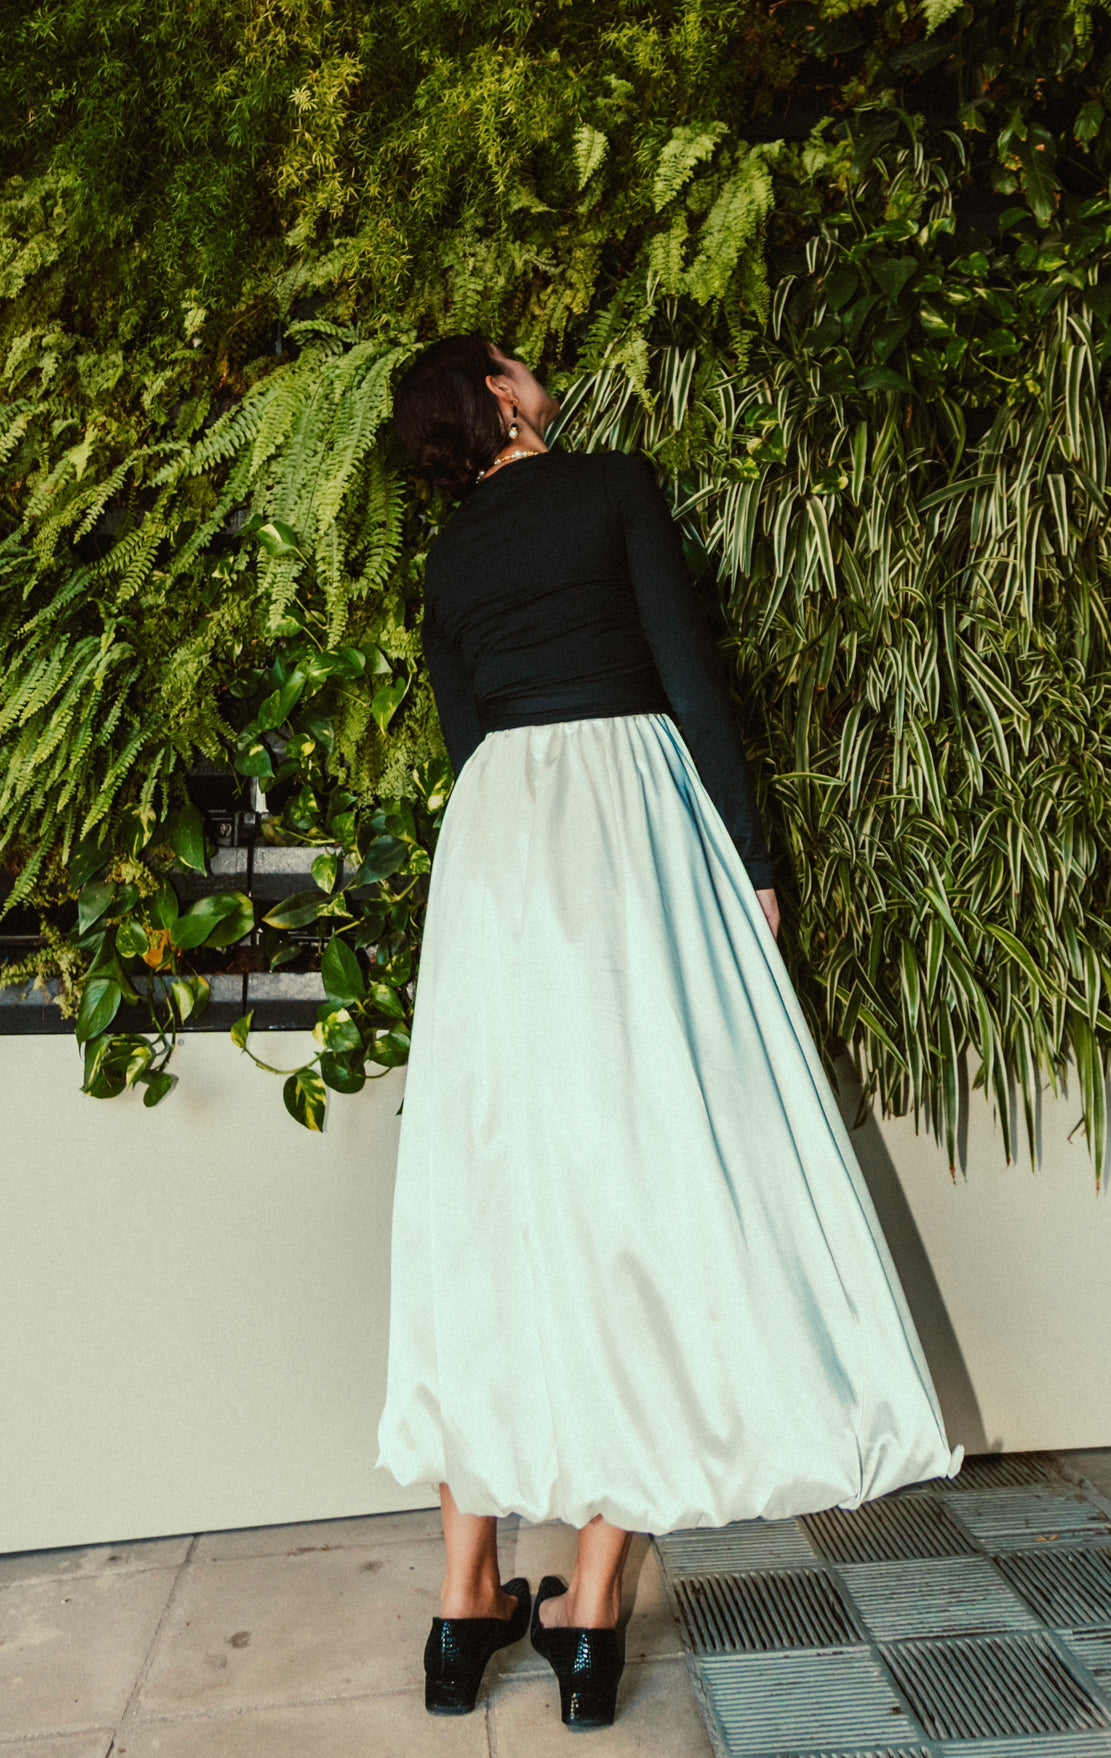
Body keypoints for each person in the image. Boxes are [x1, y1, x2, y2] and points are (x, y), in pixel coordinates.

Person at [377, 332, 963, 1730]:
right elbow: (691, 679)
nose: (538, 372)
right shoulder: (614, 488)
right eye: (520, 363)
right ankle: (588, 1621)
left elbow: (464, 734)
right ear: (500, 396)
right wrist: (750, 856)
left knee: (490, 1202)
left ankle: (461, 1612)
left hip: (500, 851)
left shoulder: (446, 557)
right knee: (636, 1189)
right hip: (627, 826)